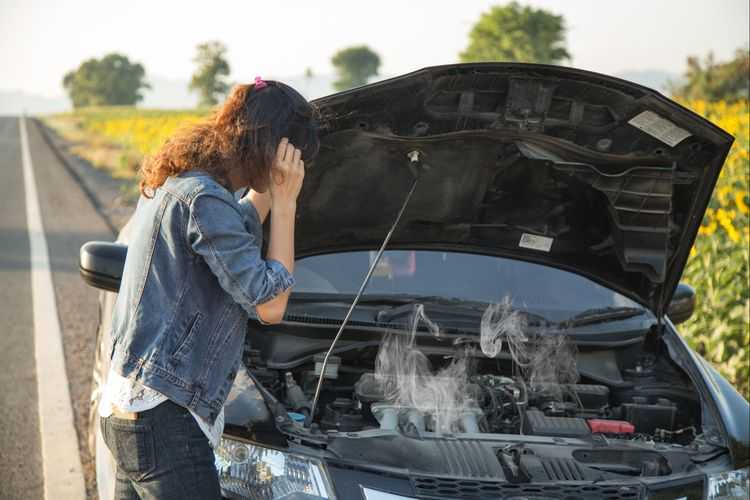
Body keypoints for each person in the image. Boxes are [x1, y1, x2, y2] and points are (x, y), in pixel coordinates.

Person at [98, 77, 319, 500]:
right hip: (163, 421)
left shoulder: (188, 184)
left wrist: (268, 191)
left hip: (131, 413)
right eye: (290, 154)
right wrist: (286, 204)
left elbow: (236, 230)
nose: (292, 168)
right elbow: (270, 304)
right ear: (268, 146)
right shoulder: (204, 198)